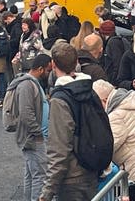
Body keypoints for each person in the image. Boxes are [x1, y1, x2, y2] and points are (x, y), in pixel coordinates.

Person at [39, 43, 99, 201]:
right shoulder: (90, 90)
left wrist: (47, 191)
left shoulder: (60, 100)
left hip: (71, 178)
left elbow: (59, 148)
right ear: (76, 62)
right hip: (91, 168)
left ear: (53, 64)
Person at [8, 54, 51, 201]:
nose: (48, 74)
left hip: (34, 137)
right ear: (40, 69)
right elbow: (26, 113)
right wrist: (38, 132)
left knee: (31, 175)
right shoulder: (27, 85)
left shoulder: (32, 83)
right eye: (47, 70)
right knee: (40, 176)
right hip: (33, 138)